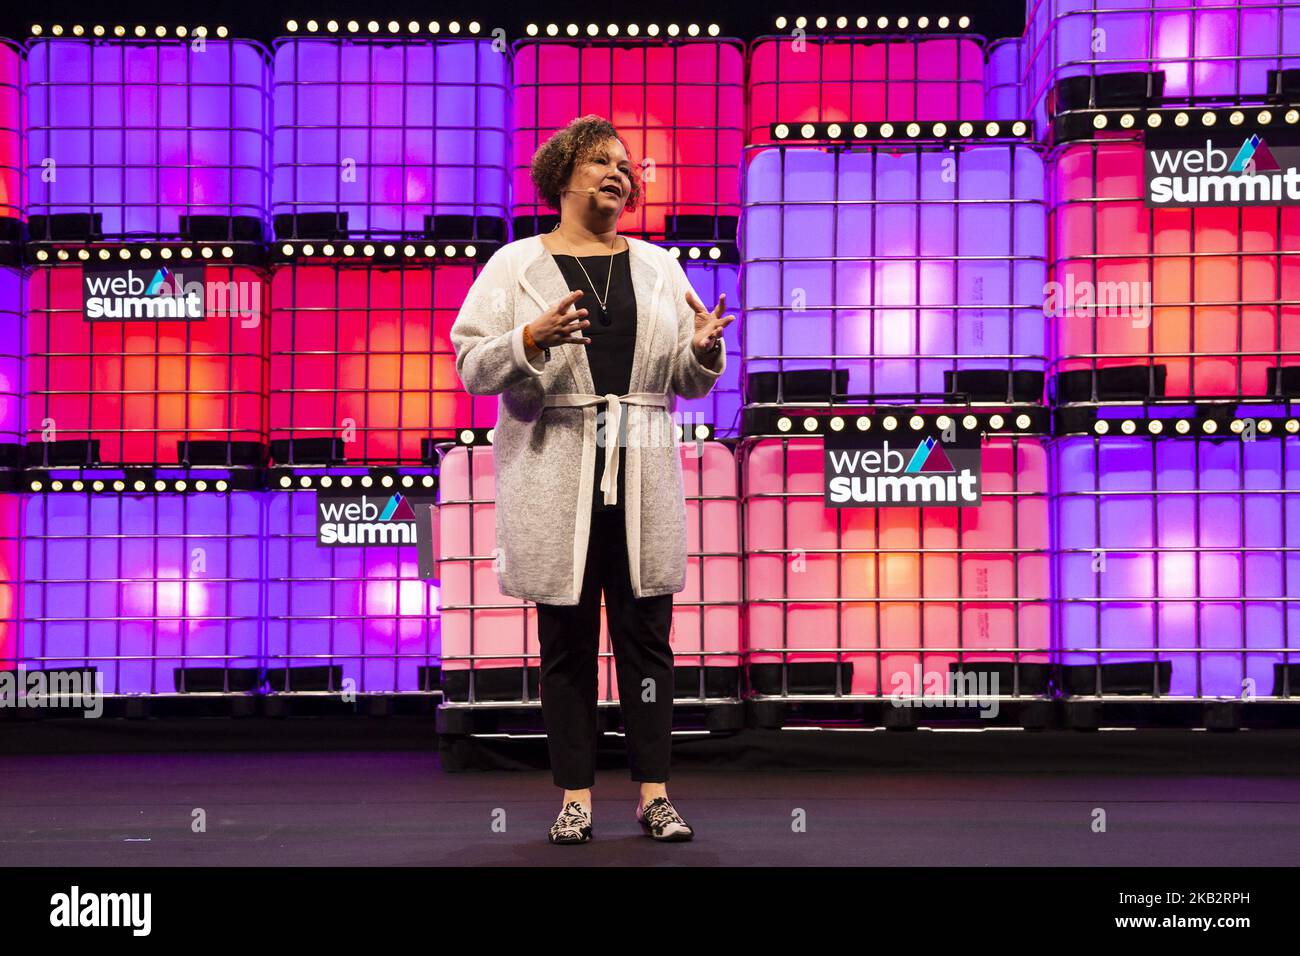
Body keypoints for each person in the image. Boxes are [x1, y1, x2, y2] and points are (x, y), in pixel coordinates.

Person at [450, 114, 734, 844]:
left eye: (627, 164)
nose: (620, 171)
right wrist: (528, 338)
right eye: (602, 159)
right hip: (556, 472)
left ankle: (654, 794)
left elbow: (682, 379)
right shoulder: (514, 265)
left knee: (647, 639)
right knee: (567, 642)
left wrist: (700, 351)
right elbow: (472, 364)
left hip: (640, 473)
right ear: (562, 172)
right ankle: (575, 797)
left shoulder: (658, 267)